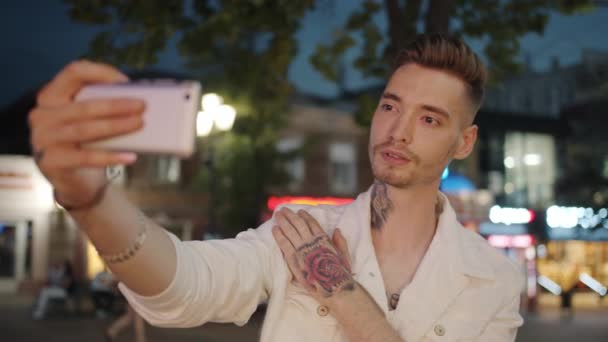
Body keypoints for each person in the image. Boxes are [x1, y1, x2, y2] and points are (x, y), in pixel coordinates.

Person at [29, 34, 524, 341]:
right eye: (390, 106)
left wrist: (340, 292)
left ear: (465, 141)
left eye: (430, 118)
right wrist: (91, 200)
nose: (398, 131)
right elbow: (183, 284)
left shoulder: (493, 279)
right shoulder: (301, 234)